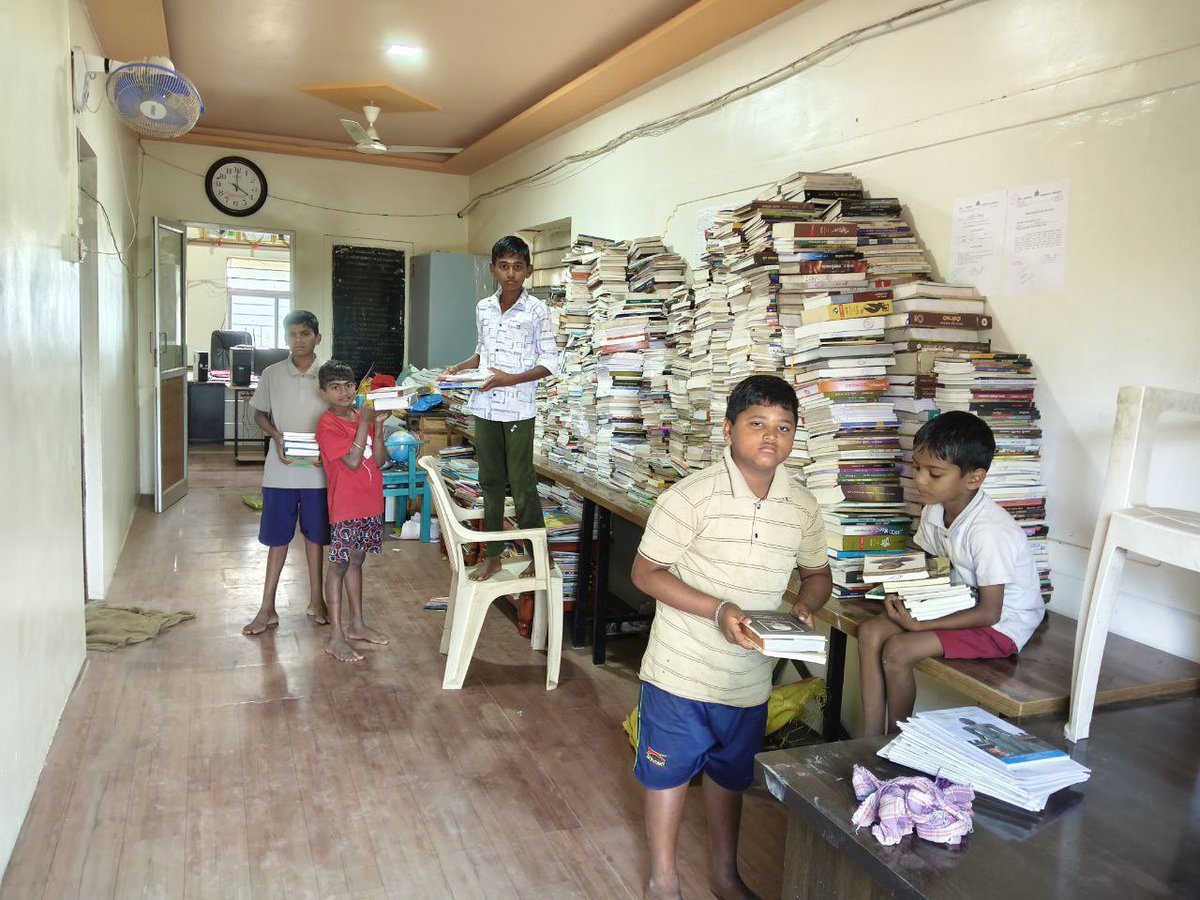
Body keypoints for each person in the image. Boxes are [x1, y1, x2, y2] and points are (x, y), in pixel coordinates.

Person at [629, 375, 832, 900]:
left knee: (730, 773)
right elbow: (646, 573)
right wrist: (717, 609)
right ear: (728, 430)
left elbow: (817, 574)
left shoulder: (803, 505)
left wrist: (806, 605)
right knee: (668, 774)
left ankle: (725, 874)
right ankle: (663, 879)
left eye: (784, 427)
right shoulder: (691, 497)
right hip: (682, 667)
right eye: (757, 424)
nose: (771, 437)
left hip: (748, 676)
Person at [857, 410, 1044, 736]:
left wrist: (920, 624)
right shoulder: (934, 510)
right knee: (870, 632)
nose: (920, 480)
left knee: (899, 651)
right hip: (958, 603)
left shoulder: (988, 531)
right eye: (918, 468)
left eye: (935, 473)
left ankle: (896, 742)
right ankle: (869, 739)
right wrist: (892, 585)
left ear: (973, 478)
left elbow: (990, 611)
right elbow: (923, 560)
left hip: (1002, 624)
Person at [444, 235, 559, 581]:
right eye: (504, 266)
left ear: (529, 271)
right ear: (493, 268)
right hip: (485, 406)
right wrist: (460, 368)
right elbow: (482, 351)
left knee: (522, 484)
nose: (510, 274)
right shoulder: (483, 307)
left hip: (518, 410)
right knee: (490, 482)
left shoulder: (538, 311)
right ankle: (493, 554)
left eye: (518, 267)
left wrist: (509, 379)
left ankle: (541, 556)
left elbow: (551, 362)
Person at [243, 310, 329, 636]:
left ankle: (317, 600)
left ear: (317, 337)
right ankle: (267, 608)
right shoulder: (272, 374)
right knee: (277, 538)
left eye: (305, 333)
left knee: (316, 537)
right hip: (280, 470)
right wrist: (276, 436)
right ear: (285, 339)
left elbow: (342, 413)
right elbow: (259, 415)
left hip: (318, 472)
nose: (298, 340)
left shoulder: (328, 374)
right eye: (292, 334)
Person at [315, 360, 392, 662]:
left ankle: (357, 624)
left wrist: (380, 427)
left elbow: (380, 461)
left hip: (370, 503)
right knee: (339, 565)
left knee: (357, 561)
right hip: (346, 507)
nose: (344, 392)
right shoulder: (327, 423)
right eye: (335, 387)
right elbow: (350, 461)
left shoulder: (364, 416)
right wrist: (364, 424)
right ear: (323, 392)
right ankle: (336, 636)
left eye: (348, 385)